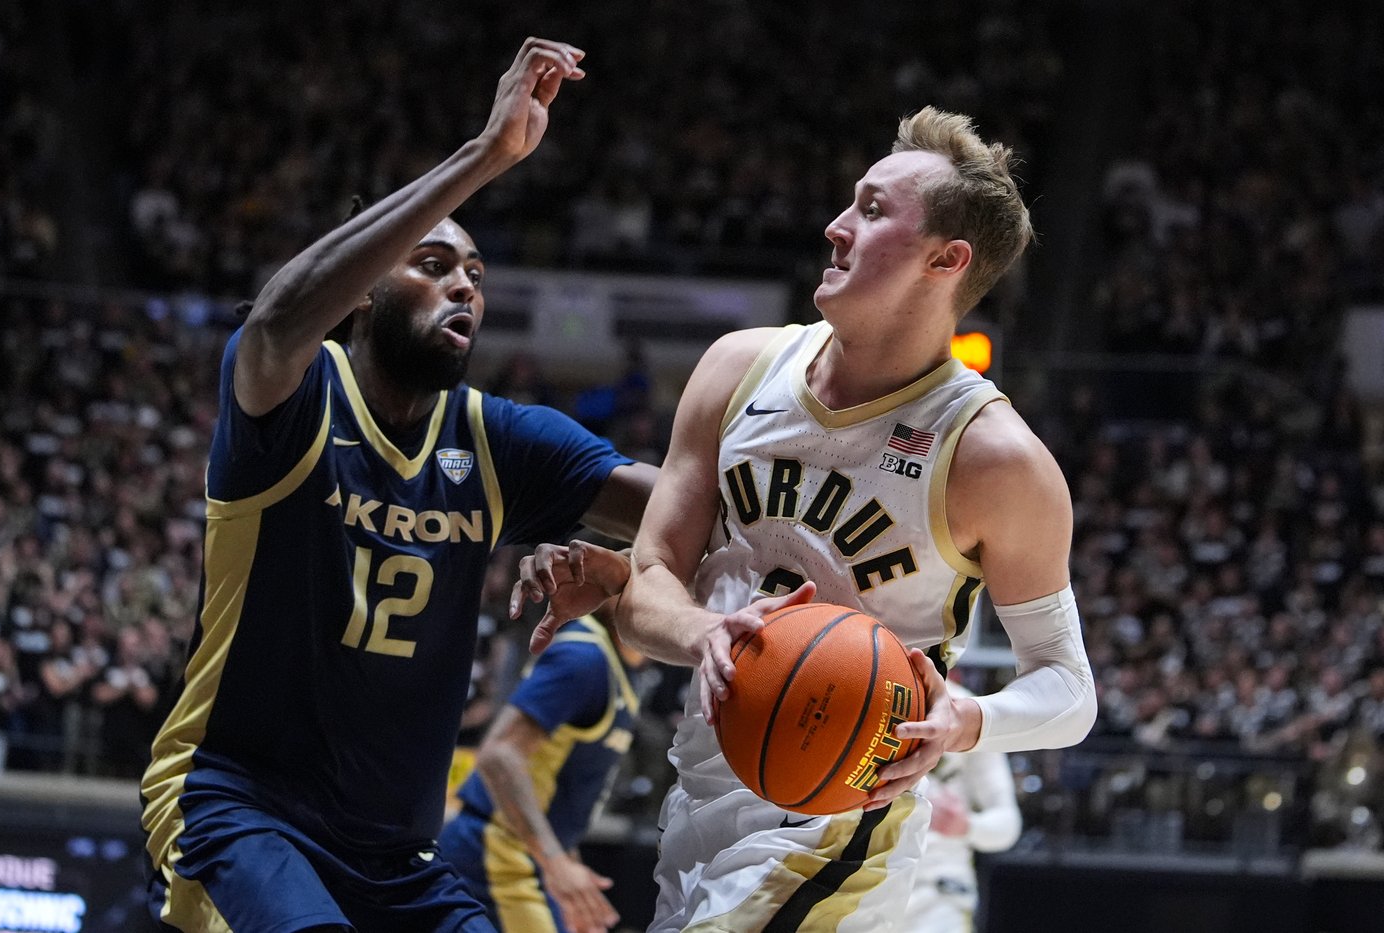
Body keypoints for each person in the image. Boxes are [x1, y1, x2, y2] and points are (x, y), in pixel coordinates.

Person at [523, 106, 1096, 931]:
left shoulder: (994, 456)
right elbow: (649, 593)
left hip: (842, 810)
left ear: (946, 259)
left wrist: (967, 718)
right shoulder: (736, 367)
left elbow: (1068, 688)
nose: (834, 226)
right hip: (705, 786)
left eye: (870, 209)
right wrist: (702, 634)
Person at [139, 38, 656, 933]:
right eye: (432, 264)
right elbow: (274, 322)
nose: (463, 286)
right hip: (237, 810)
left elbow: (675, 504)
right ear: (363, 291)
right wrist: (484, 158)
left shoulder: (498, 440)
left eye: (475, 276)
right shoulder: (293, 396)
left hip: (394, 857)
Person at [439, 596, 645, 933]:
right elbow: (499, 755)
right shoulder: (584, 658)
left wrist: (567, 866)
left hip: (530, 859)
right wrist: (556, 863)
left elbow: (557, 790)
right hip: (496, 855)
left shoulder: (622, 664)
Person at [908, 682, 1021, 933]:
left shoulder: (968, 709)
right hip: (859, 883)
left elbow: (1008, 825)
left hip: (936, 894)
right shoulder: (860, 689)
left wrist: (966, 826)